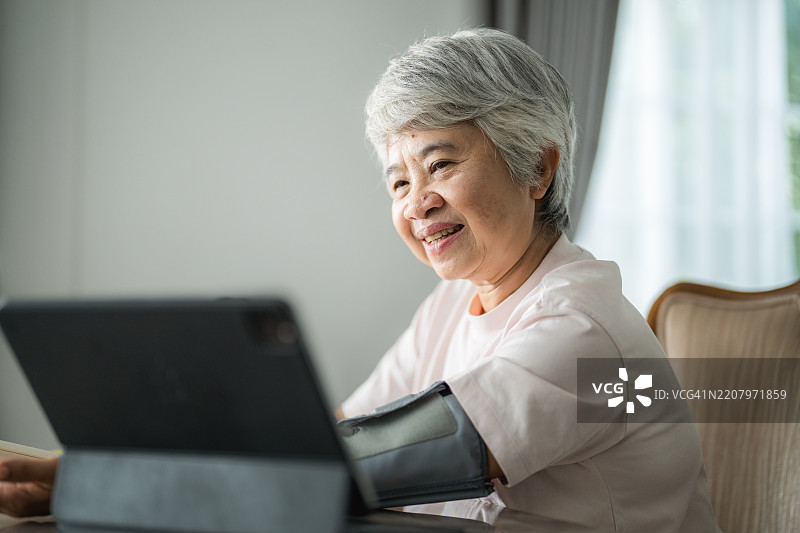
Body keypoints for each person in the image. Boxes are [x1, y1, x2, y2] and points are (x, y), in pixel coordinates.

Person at [1, 29, 719, 532]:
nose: (416, 202)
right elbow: (339, 434)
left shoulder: (582, 331)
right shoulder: (452, 304)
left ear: (537, 167)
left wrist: (116, 475)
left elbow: (394, 457)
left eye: (440, 165)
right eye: (398, 180)